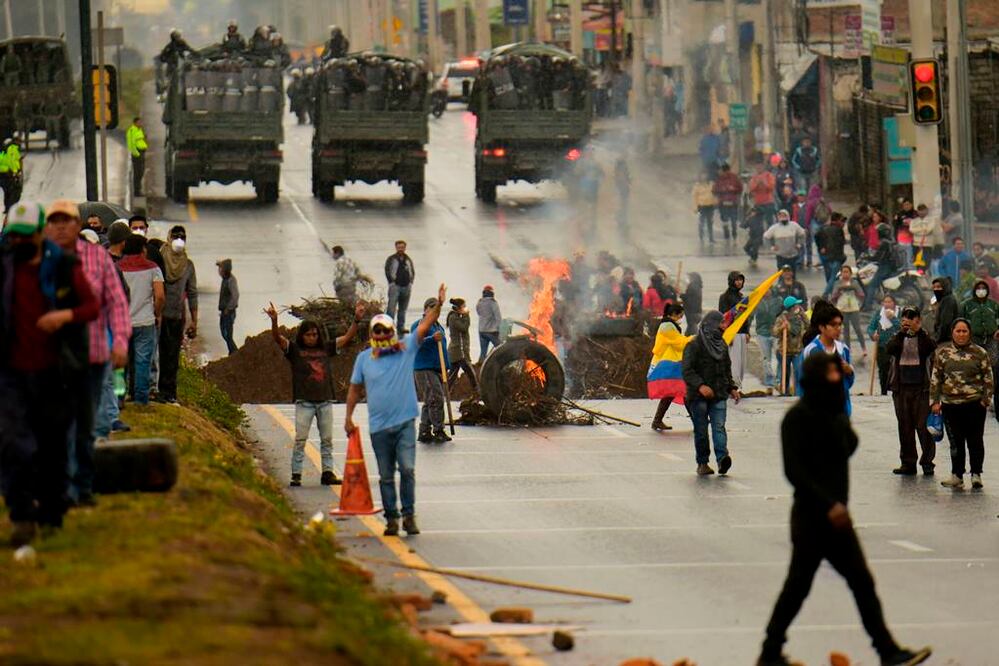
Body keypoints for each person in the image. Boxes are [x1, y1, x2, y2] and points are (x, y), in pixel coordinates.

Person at [757, 353, 933, 666]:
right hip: (812, 517)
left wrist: (838, 415)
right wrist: (829, 504)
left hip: (838, 519)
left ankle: (887, 651)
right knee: (798, 587)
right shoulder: (797, 418)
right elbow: (794, 472)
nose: (836, 378)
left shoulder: (834, 414)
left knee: (861, 582)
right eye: (829, 373)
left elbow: (850, 445)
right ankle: (771, 651)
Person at [0, 201, 100, 546]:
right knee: (12, 443)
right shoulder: (6, 268)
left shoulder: (63, 267)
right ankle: (21, 515)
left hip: (55, 373)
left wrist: (63, 317)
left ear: (40, 234)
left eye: (26, 236)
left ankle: (52, 512)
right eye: (14, 237)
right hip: (12, 373)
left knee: (52, 446)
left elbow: (91, 306)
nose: (19, 243)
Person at [44, 200, 131, 505]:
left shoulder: (97, 258)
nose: (62, 227)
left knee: (86, 423)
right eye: (55, 221)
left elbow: (116, 303)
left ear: (77, 224)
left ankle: (82, 486)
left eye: (67, 221)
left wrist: (120, 341)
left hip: (93, 356)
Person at [346, 284, 448, 536]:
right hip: (379, 427)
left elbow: (425, 326)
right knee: (386, 475)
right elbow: (355, 389)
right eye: (377, 332)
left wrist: (440, 305)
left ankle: (409, 516)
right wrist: (348, 417)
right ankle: (391, 518)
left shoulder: (404, 349)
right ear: (372, 335)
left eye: (386, 331)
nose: (381, 335)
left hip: (404, 423)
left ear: (392, 333)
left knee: (407, 470)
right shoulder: (364, 359)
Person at [267, 301, 362, 487]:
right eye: (309, 334)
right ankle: (296, 474)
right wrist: (274, 321)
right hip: (304, 402)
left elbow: (347, 337)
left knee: (327, 439)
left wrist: (357, 320)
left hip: (324, 401)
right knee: (301, 439)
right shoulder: (294, 350)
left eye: (315, 334)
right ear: (302, 335)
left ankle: (327, 473)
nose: (312, 337)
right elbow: (277, 338)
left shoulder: (326, 348)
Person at [930, 318, 993, 491]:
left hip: (974, 405)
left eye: (964, 331)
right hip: (950, 405)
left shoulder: (980, 353)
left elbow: (988, 378)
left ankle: (976, 474)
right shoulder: (943, 353)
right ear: (952, 333)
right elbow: (936, 378)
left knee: (975, 441)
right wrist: (934, 401)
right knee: (956, 442)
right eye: (958, 331)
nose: (961, 334)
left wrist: (985, 400)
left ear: (969, 333)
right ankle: (957, 475)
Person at [682, 311, 739, 476]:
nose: (724, 326)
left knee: (719, 427)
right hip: (698, 397)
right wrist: (700, 386)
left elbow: (726, 370)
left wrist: (732, 388)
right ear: (711, 325)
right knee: (701, 430)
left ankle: (722, 459)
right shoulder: (694, 345)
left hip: (719, 393)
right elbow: (687, 370)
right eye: (721, 323)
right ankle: (703, 463)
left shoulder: (721, 345)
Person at [885, 307, 937, 476]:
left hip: (921, 389)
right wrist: (902, 333)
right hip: (901, 389)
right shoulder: (898, 337)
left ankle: (927, 462)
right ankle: (908, 463)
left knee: (923, 427)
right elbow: (890, 348)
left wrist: (918, 331)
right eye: (904, 318)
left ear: (918, 320)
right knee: (905, 427)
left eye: (911, 318)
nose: (907, 321)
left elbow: (929, 348)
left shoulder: (924, 337)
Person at [120, 234, 164, 406]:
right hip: (145, 321)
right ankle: (141, 398)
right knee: (143, 362)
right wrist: (157, 313)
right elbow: (160, 296)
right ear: (142, 249)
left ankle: (119, 397)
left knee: (120, 364)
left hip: (121, 323)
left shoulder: (117, 267)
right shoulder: (153, 268)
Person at [159, 226, 197, 404]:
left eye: (183, 237)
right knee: (158, 354)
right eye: (176, 236)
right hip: (158, 315)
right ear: (169, 238)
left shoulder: (188, 265)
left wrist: (194, 321)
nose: (179, 240)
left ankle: (170, 392)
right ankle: (156, 389)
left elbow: (192, 293)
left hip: (176, 316)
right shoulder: (160, 258)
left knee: (172, 356)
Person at [799, 303, 855, 415]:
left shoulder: (843, 349)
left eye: (840, 324)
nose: (838, 329)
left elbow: (847, 383)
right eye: (833, 325)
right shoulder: (811, 351)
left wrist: (849, 372)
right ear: (822, 327)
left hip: (841, 410)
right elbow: (803, 383)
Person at [413, 298, 451, 444]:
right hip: (424, 367)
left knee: (430, 400)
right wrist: (431, 339)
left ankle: (424, 430)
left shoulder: (437, 326)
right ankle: (438, 430)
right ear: (426, 309)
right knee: (436, 398)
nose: (435, 312)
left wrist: (445, 367)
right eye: (432, 308)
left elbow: (441, 348)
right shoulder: (421, 324)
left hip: (435, 368)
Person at [650, 302, 688, 431]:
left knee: (677, 391)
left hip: (671, 362)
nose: (681, 318)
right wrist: (694, 339)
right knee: (681, 390)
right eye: (680, 316)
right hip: (668, 363)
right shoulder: (667, 327)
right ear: (673, 314)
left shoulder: (669, 325)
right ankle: (699, 420)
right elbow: (679, 343)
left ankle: (657, 421)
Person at [773, 297, 808, 395]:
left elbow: (808, 326)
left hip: (798, 350)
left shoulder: (800, 317)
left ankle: (798, 393)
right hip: (784, 351)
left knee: (798, 371)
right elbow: (775, 332)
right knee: (785, 373)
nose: (798, 306)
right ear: (792, 307)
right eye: (796, 305)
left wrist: (803, 314)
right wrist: (781, 328)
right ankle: (785, 392)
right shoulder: (782, 318)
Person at [867, 295, 900, 395]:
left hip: (897, 346)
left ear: (894, 303)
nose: (887, 304)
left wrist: (893, 318)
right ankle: (884, 391)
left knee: (896, 369)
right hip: (882, 345)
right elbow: (871, 327)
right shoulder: (879, 314)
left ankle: (896, 391)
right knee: (883, 369)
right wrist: (873, 334)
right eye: (885, 302)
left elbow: (902, 327)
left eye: (889, 302)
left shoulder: (900, 313)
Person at [830, 266, 865, 354]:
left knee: (857, 328)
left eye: (847, 272)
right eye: (844, 272)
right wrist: (839, 291)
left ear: (850, 273)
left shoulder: (855, 282)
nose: (845, 274)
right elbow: (833, 297)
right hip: (842, 308)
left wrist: (854, 290)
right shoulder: (837, 283)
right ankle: (847, 348)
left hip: (853, 308)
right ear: (841, 273)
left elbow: (861, 294)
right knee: (846, 330)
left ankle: (863, 348)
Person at [446, 298, 477, 394]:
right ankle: (477, 391)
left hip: (458, 351)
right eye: (463, 306)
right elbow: (464, 327)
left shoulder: (457, 316)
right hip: (459, 352)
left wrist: (463, 315)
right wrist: (466, 315)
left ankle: (446, 393)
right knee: (470, 372)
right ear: (458, 308)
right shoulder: (454, 318)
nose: (465, 308)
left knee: (453, 374)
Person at [755, 288, 783, 390]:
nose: (767, 291)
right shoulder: (757, 302)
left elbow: (783, 312)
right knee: (766, 358)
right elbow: (749, 315)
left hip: (776, 333)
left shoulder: (778, 300)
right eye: (764, 290)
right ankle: (769, 379)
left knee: (779, 356)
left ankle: (779, 378)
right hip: (762, 333)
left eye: (768, 289)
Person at [385, 240, 415, 330]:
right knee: (391, 308)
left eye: (402, 247)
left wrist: (411, 282)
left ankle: (400, 327)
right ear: (396, 247)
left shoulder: (408, 259)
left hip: (406, 286)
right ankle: (388, 327)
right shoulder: (391, 259)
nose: (401, 249)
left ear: (405, 248)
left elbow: (412, 271)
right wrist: (391, 282)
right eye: (399, 247)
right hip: (395, 287)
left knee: (403, 309)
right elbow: (387, 270)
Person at [816, 212, 848, 296]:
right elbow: (842, 242)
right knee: (834, 277)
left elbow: (816, 236)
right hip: (837, 257)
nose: (843, 223)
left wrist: (821, 247)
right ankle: (826, 294)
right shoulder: (839, 230)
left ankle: (831, 293)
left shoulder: (823, 229)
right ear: (837, 220)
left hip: (826, 256)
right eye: (841, 221)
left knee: (829, 277)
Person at [713, 163, 743, 241]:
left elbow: (740, 188)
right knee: (725, 220)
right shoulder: (719, 179)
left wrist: (733, 189)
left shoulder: (734, 178)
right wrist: (722, 190)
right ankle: (727, 234)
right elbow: (714, 190)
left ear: (724, 171)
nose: (719, 172)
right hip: (723, 203)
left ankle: (734, 234)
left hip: (732, 203)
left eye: (721, 171)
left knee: (733, 220)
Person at [217, 258, 239, 356]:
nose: (219, 271)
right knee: (224, 333)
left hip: (229, 312)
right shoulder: (225, 280)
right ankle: (232, 351)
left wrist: (228, 308)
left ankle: (234, 352)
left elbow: (235, 296)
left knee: (227, 334)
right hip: (225, 311)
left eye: (220, 268)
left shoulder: (230, 280)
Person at [476, 285, 502, 363]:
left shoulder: (479, 303)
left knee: (483, 352)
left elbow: (479, 313)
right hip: (492, 331)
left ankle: (480, 367)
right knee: (501, 349)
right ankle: (501, 364)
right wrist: (498, 329)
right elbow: (498, 317)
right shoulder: (493, 303)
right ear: (491, 293)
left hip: (481, 331)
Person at [748, 162, 778, 227]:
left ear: (763, 167)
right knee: (758, 222)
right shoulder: (754, 177)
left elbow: (772, 187)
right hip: (758, 203)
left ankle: (769, 235)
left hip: (768, 202)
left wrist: (764, 183)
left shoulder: (769, 175)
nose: (759, 168)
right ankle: (759, 235)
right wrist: (757, 183)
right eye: (757, 167)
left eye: (760, 166)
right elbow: (751, 188)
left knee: (769, 221)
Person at [931, 277, 958, 344]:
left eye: (939, 287)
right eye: (934, 287)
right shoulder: (943, 300)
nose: (936, 289)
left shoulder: (948, 301)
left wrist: (937, 339)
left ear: (945, 287)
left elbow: (945, 323)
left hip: (947, 340)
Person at [691, 174, 718, 244]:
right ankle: (701, 237)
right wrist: (695, 207)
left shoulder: (711, 184)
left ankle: (711, 238)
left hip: (710, 206)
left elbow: (715, 194)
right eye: (702, 176)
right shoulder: (697, 186)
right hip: (702, 206)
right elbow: (694, 197)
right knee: (701, 222)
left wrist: (716, 203)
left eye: (705, 176)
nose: (704, 177)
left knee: (710, 222)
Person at [126, 117, 148, 198]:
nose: (140, 123)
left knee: (141, 172)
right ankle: (137, 191)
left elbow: (141, 140)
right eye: (139, 122)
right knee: (137, 173)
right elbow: (131, 144)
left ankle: (139, 190)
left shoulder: (139, 130)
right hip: (137, 154)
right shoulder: (132, 131)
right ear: (135, 123)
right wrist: (136, 154)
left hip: (141, 153)